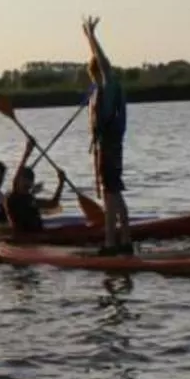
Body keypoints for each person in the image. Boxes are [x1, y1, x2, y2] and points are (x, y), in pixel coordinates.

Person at [83, 16, 132, 255]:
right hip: (110, 147)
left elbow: (102, 63)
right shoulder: (105, 88)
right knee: (115, 192)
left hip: (110, 148)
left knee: (111, 197)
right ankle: (126, 240)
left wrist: (92, 36)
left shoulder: (108, 84)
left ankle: (111, 243)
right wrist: (88, 38)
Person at [2, 142, 66, 233]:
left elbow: (53, 204)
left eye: (29, 180)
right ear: (19, 181)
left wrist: (61, 183)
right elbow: (16, 179)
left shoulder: (31, 200)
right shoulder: (11, 199)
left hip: (37, 236)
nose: (26, 183)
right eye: (24, 179)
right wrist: (27, 152)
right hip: (21, 239)